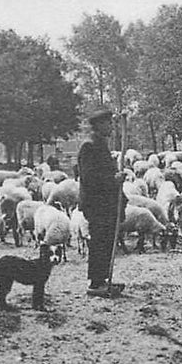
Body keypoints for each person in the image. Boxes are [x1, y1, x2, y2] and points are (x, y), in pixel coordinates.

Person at [77, 106, 126, 297]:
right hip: (96, 203)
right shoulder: (89, 145)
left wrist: (114, 176)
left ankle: (103, 279)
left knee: (105, 241)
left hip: (104, 202)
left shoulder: (100, 144)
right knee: (99, 241)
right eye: (108, 124)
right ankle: (95, 283)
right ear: (98, 125)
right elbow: (89, 177)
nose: (111, 128)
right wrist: (113, 179)